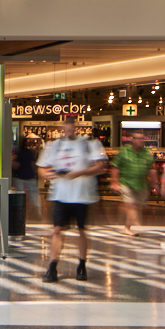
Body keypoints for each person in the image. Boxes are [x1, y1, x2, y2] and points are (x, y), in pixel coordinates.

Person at [37, 115, 107, 282]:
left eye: (71, 125)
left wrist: (80, 173)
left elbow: (101, 166)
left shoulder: (88, 143)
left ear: (76, 126)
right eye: (65, 125)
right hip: (61, 194)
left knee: (81, 230)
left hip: (82, 195)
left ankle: (81, 265)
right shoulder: (54, 146)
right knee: (57, 230)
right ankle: (52, 266)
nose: (68, 128)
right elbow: (42, 168)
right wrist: (49, 174)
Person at [110, 128, 159, 235]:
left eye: (143, 139)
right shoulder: (125, 151)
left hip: (141, 184)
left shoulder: (146, 153)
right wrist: (114, 182)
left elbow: (151, 168)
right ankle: (127, 228)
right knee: (132, 205)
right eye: (139, 139)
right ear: (132, 139)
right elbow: (115, 167)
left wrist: (155, 182)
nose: (141, 141)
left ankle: (126, 221)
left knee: (136, 206)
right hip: (126, 182)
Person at [13, 137, 40, 219]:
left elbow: (17, 166)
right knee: (34, 196)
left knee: (20, 196)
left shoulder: (19, 152)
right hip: (30, 176)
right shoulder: (30, 152)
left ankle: (19, 213)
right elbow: (33, 163)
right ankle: (38, 212)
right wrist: (34, 172)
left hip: (20, 176)